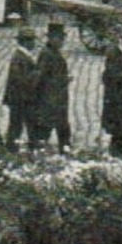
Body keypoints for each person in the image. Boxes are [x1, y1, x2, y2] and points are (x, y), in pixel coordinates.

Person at [34, 23, 72, 151]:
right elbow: (41, 77)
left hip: (58, 99)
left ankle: (64, 152)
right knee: (47, 129)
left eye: (62, 38)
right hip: (50, 100)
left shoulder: (54, 52)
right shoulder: (46, 54)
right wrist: (62, 80)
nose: (61, 42)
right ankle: (41, 153)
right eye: (59, 38)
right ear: (50, 38)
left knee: (63, 129)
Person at [4, 27, 43, 148]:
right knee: (17, 125)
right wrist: (36, 74)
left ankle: (28, 146)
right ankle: (12, 148)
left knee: (24, 124)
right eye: (31, 40)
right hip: (20, 98)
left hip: (22, 98)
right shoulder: (18, 58)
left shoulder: (23, 56)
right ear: (25, 42)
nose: (34, 43)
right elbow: (19, 79)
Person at [100, 28, 122, 152]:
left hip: (121, 96)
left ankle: (119, 151)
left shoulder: (121, 53)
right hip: (116, 97)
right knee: (119, 128)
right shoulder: (114, 52)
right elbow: (111, 74)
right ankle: (116, 152)